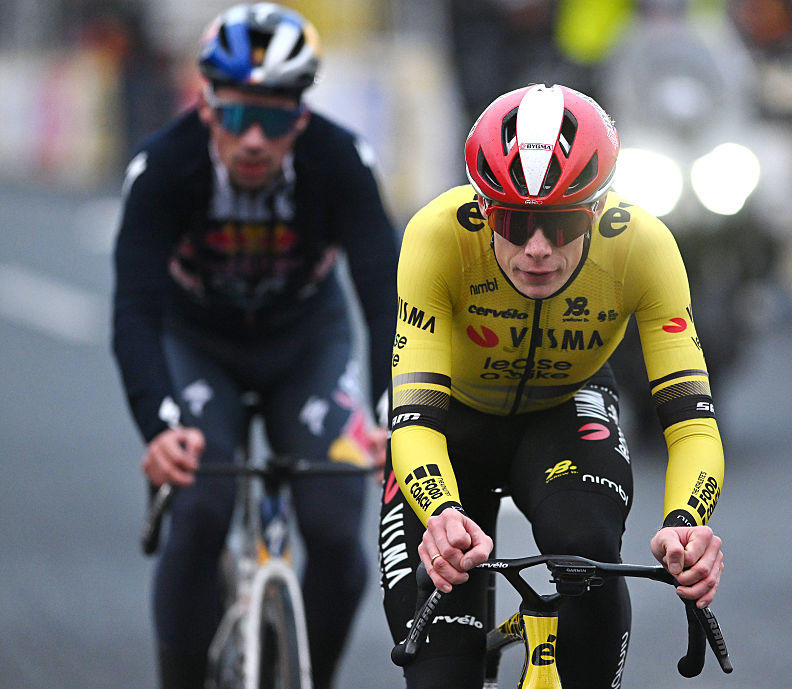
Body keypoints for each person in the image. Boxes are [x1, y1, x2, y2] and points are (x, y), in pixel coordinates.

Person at [378, 83, 725, 689]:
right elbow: (415, 421)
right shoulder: (437, 235)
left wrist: (686, 521)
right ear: (484, 209)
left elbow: (692, 423)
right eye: (514, 223)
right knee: (440, 673)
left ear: (597, 208)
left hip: (565, 412)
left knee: (587, 548)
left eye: (562, 225)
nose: (537, 249)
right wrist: (441, 512)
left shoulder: (643, 247)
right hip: (451, 425)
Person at [110, 4, 399, 688]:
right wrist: (159, 426)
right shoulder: (163, 166)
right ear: (207, 106)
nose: (253, 141)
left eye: (274, 119)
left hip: (306, 344)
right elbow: (134, 311)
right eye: (237, 115)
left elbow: (387, 298)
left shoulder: (341, 160)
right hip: (197, 344)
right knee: (200, 511)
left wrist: (394, 412)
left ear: (301, 117)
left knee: (337, 531)